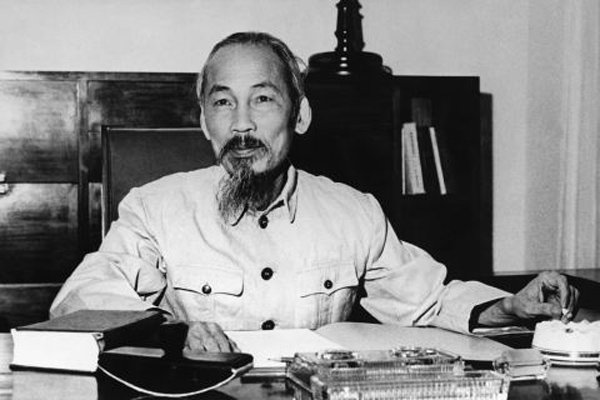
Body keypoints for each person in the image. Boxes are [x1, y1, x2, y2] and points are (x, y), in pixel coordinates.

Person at [50, 31, 579, 353]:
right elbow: (82, 298)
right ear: (204, 121)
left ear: (299, 115)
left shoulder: (355, 213)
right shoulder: (154, 207)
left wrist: (512, 306)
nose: (241, 124)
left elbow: (428, 302)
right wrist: (170, 333)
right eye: (223, 102)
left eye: (262, 99)